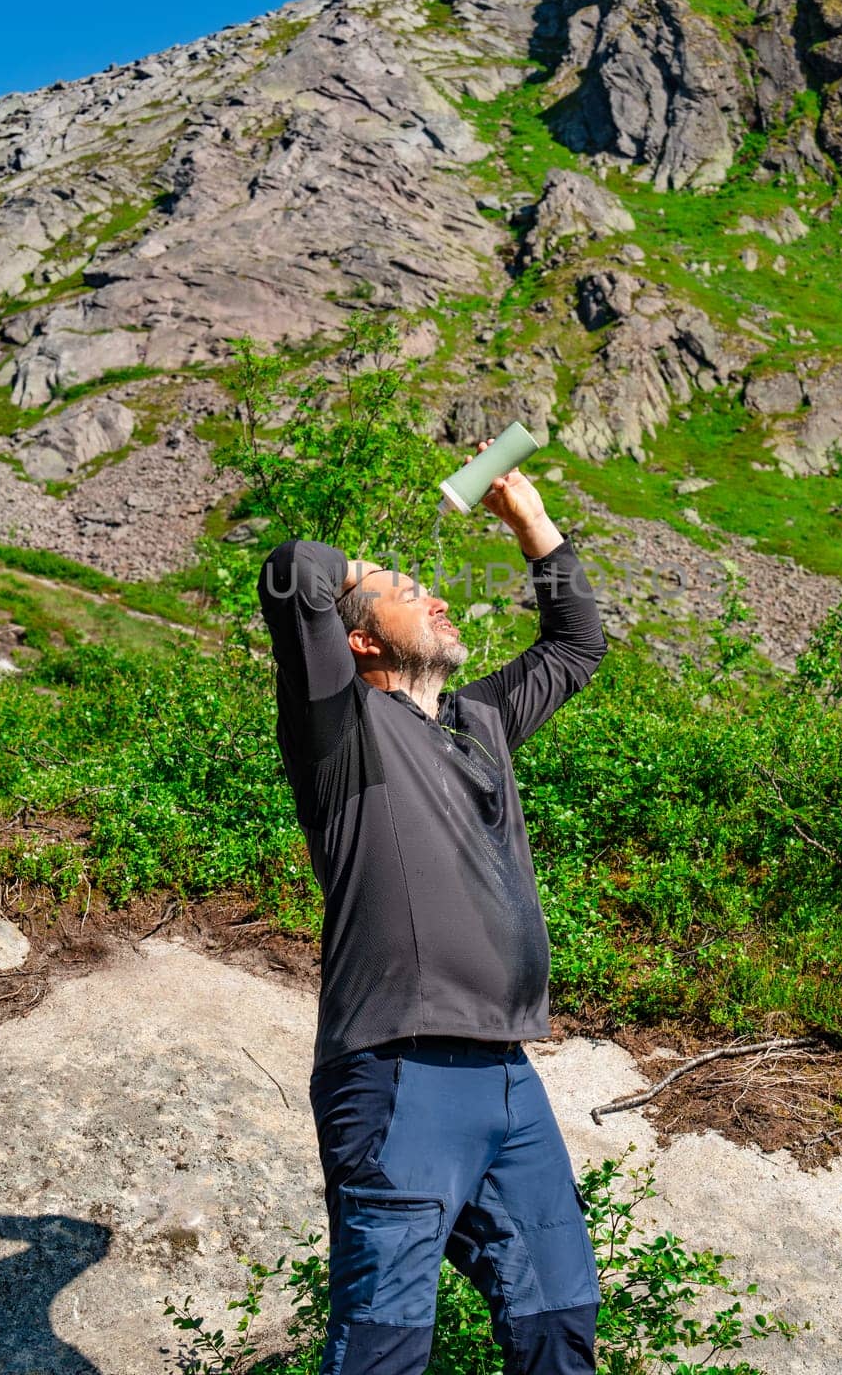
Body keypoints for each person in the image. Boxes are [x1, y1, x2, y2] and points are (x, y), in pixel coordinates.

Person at [257, 440, 608, 1375]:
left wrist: (530, 524)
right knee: (385, 1343)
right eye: (413, 595)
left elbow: (576, 643)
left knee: (560, 1319)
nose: (440, 601)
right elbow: (295, 569)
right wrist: (362, 573)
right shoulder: (340, 728)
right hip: (397, 1072)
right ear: (360, 638)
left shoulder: (479, 720)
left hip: (507, 1077)